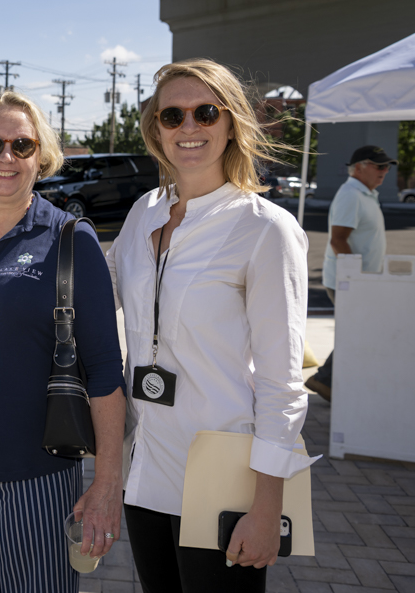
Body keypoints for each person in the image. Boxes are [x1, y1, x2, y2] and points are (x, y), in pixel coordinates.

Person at [107, 59, 316, 592]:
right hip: (146, 461)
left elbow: (283, 383)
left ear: (231, 123)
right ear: (156, 128)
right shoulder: (142, 214)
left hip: (222, 471)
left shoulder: (266, 229)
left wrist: (268, 505)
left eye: (205, 112)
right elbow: (87, 291)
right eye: (172, 115)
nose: (189, 127)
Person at [0, 91, 126, 592]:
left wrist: (106, 482)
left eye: (22, 144)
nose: (6, 157)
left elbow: (103, 369)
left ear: (43, 156)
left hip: (36, 471)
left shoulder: (70, 239)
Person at [306, 145, 396, 402]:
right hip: (351, 280)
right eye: (379, 166)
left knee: (359, 331)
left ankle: (330, 381)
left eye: (387, 167)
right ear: (359, 167)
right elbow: (338, 239)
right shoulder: (351, 195)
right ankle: (325, 380)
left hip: (361, 279)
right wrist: (356, 279)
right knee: (358, 332)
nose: (385, 171)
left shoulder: (366, 194)